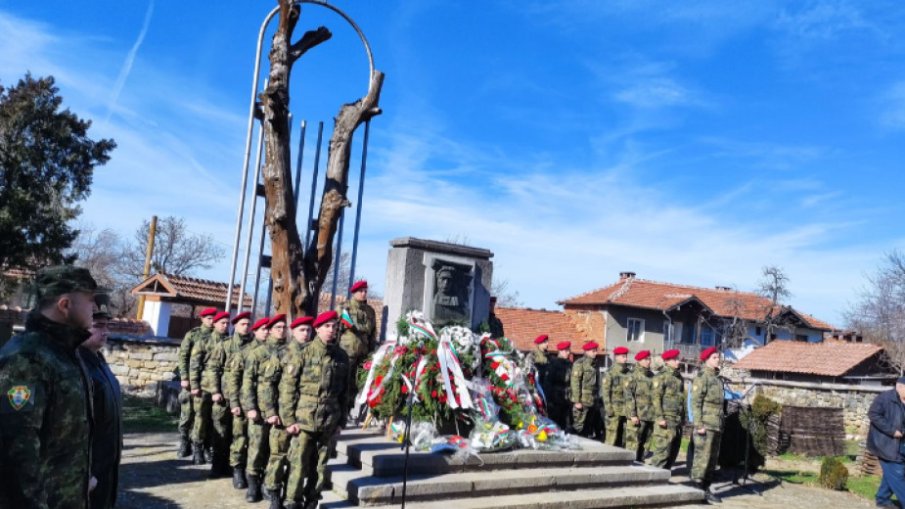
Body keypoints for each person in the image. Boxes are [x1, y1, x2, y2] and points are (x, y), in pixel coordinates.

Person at [0, 265, 102, 509]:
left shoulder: (66, 352)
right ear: (65, 305)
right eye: (90, 300)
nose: (95, 308)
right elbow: (15, 450)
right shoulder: (28, 357)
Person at [280, 311, 352, 509]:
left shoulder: (342, 357)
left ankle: (312, 501)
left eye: (334, 327)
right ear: (317, 329)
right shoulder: (303, 354)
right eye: (326, 326)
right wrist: (289, 420)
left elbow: (345, 392)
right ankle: (292, 501)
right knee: (298, 464)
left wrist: (341, 421)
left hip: (329, 419)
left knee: (320, 466)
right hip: (304, 420)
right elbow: (288, 389)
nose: (331, 330)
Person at [260, 315, 312, 509]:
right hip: (282, 415)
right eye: (302, 330)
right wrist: (270, 411)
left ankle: (291, 497)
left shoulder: (313, 354)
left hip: (304, 415)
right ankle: (273, 493)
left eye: (308, 330)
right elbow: (267, 384)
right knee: (278, 455)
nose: (306, 334)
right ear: (293, 331)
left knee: (297, 459)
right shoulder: (282, 353)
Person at [78, 294, 123, 509]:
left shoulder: (98, 360)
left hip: (107, 463)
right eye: (98, 326)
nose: (105, 331)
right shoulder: (77, 364)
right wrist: (86, 472)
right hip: (90, 468)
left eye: (107, 326)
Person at [191, 311, 232, 477]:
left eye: (227, 323)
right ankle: (197, 447)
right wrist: (194, 385)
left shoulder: (229, 342)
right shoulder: (204, 341)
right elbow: (194, 364)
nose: (225, 326)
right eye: (222, 323)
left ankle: (210, 448)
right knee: (201, 418)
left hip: (221, 388)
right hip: (204, 386)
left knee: (216, 421)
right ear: (215, 324)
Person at [239, 316, 273, 502]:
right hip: (258, 407)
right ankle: (252, 484)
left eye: (269, 329)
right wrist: (250, 407)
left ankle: (266, 483)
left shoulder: (281, 352)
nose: (267, 332)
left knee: (271, 448)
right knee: (256, 446)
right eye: (263, 329)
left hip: (275, 410)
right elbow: (247, 382)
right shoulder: (254, 353)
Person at [177, 307, 216, 459]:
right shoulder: (193, 335)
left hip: (207, 381)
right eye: (209, 318)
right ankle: (184, 442)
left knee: (205, 415)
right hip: (191, 379)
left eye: (214, 319)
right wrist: (184, 377)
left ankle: (204, 445)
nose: (212, 321)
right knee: (187, 414)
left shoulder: (219, 335)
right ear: (202, 319)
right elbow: (183, 356)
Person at [691, 346, 725, 504]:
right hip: (705, 424)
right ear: (706, 360)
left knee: (712, 460)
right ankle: (696, 491)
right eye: (714, 357)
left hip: (716, 424)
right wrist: (699, 424)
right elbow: (696, 402)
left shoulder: (717, 378)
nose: (718, 360)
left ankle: (706, 488)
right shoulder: (702, 377)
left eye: (718, 357)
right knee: (702, 459)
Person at [224, 311, 253, 490]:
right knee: (238, 436)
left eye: (248, 324)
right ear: (235, 325)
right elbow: (229, 376)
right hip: (234, 397)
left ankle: (249, 471)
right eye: (243, 324)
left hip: (251, 400)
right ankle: (236, 469)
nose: (246, 327)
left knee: (250, 437)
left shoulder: (254, 346)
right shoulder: (227, 344)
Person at [868, 376, 905, 509]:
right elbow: (873, 414)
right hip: (886, 444)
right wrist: (892, 430)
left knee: (894, 472)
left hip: (901, 444)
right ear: (899, 386)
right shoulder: (885, 398)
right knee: (898, 473)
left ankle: (882, 499)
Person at [648, 349, 686, 470]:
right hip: (665, 420)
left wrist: (683, 418)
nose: (678, 361)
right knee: (662, 454)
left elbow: (681, 399)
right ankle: (654, 478)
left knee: (673, 453)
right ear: (667, 361)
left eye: (678, 359)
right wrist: (660, 418)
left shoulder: (679, 378)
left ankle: (664, 478)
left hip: (676, 420)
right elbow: (655, 398)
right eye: (675, 359)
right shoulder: (661, 377)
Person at [337, 280, 377, 375]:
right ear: (354, 292)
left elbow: (373, 333)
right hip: (346, 352)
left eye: (365, 291)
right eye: (361, 291)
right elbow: (336, 330)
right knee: (343, 379)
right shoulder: (344, 308)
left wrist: (372, 351)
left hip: (363, 354)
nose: (364, 293)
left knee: (360, 380)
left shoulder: (370, 311)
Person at [624, 349, 654, 462]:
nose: (648, 361)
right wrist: (633, 415)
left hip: (650, 416)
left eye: (649, 359)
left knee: (645, 445)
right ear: (639, 361)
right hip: (637, 416)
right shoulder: (632, 375)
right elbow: (628, 396)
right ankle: (628, 467)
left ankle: (640, 465)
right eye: (646, 359)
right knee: (633, 444)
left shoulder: (652, 376)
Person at [602, 346, 631, 447]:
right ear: (616, 357)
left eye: (626, 356)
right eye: (623, 356)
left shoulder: (628, 373)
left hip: (626, 410)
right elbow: (605, 392)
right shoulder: (610, 373)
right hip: (614, 410)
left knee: (623, 438)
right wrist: (609, 409)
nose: (625, 359)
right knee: (611, 437)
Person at [570, 341, 601, 436]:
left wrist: (597, 400)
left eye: (596, 351)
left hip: (592, 401)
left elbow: (596, 384)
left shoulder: (595, 364)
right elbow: (575, 383)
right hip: (582, 401)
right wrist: (577, 401)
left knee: (588, 427)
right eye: (593, 351)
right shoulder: (580, 363)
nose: (595, 353)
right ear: (587, 351)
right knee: (578, 426)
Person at [545, 341, 572, 430]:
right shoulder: (554, 364)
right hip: (555, 399)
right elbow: (548, 382)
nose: (568, 353)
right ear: (560, 351)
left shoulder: (569, 364)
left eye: (569, 350)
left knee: (564, 424)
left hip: (566, 399)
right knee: (555, 424)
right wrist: (549, 400)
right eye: (566, 351)